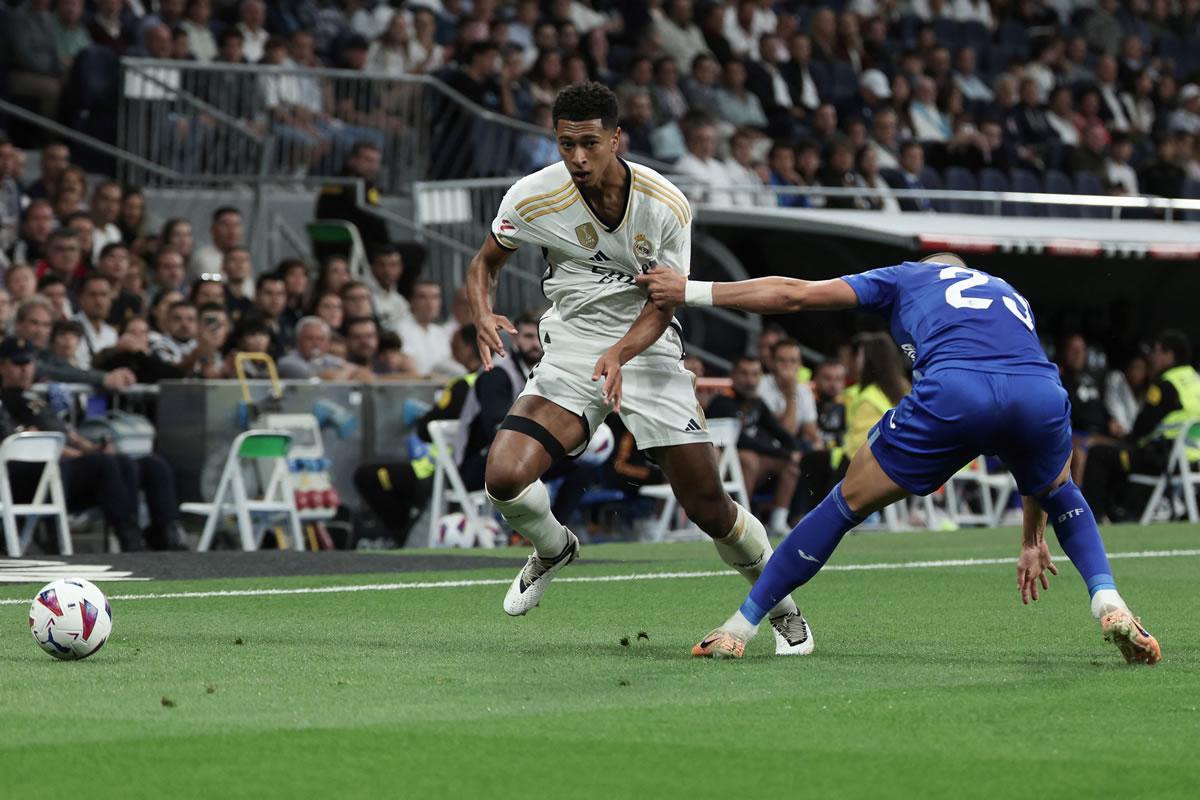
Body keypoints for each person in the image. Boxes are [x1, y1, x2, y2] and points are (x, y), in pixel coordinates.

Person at [637, 254, 1161, 665]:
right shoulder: (1007, 292)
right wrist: (1030, 539)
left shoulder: (910, 276)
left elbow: (793, 295)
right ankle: (1109, 603)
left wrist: (693, 290)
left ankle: (740, 627)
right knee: (1061, 488)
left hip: (955, 391)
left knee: (845, 503)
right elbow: (1033, 468)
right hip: (1039, 393)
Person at [466, 82, 810, 653]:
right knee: (503, 476)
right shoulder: (530, 198)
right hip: (575, 346)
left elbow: (664, 301)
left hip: (647, 352)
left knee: (708, 507)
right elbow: (485, 263)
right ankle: (554, 547)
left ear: (616, 138)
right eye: (566, 144)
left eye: (590, 143)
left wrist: (621, 354)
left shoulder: (666, 204)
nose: (577, 157)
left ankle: (783, 608)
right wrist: (482, 312)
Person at [1082, 331, 1200, 524]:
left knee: (1099, 454)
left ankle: (1091, 519)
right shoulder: (1196, 380)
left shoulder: (1165, 385)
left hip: (1165, 460)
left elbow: (1141, 430)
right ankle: (1120, 512)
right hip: (1195, 460)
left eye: (1157, 351)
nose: (1153, 357)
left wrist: (1122, 437)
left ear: (1169, 355)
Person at [708, 356, 802, 535]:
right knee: (749, 458)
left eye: (755, 374)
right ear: (733, 376)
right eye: (744, 374)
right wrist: (783, 452)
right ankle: (740, 522)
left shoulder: (756, 403)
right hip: (719, 465)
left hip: (749, 464)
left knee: (790, 465)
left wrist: (795, 449)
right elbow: (740, 440)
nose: (750, 381)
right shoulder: (723, 401)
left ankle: (778, 521)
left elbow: (778, 431)